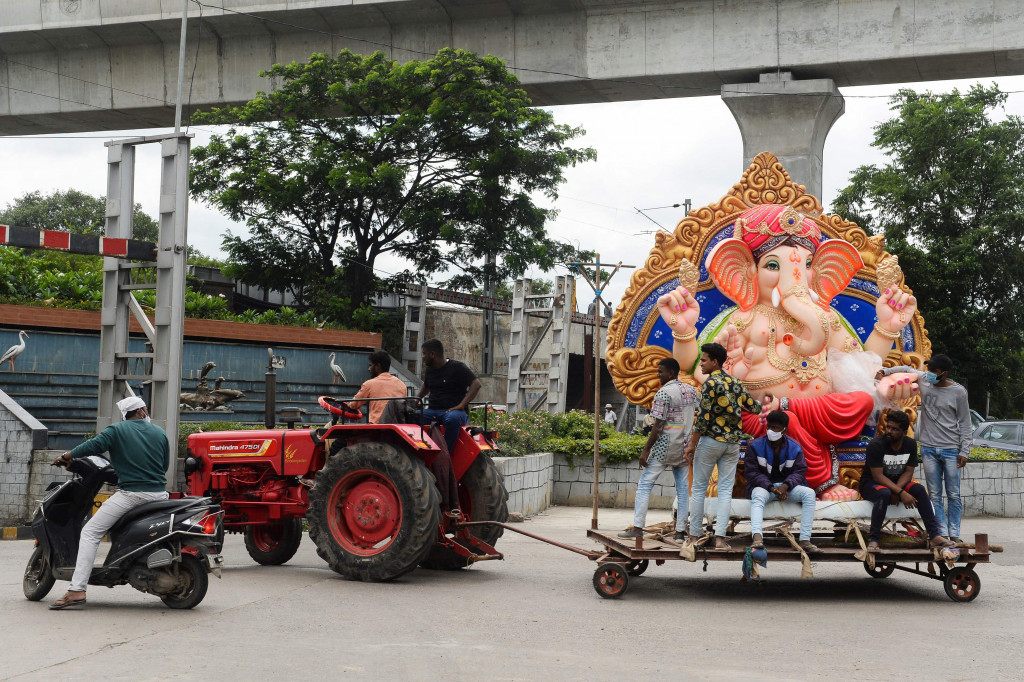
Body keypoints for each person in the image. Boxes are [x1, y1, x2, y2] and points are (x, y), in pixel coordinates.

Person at [49, 396, 170, 610]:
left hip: (132, 494)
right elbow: (165, 464)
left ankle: (77, 589)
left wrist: (67, 455)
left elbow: (92, 446)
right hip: (160, 495)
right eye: (145, 409)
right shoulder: (160, 433)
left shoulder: (117, 431)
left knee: (90, 532)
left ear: (126, 414)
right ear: (142, 411)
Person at [877, 354, 972, 542]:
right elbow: (905, 369)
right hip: (929, 449)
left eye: (934, 371)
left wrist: (964, 451)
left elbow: (965, 423)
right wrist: (884, 372)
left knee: (953, 494)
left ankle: (955, 534)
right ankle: (941, 533)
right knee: (934, 494)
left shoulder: (958, 392)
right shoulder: (924, 380)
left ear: (944, 373)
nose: (929, 374)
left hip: (951, 449)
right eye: (928, 370)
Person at [685, 342, 767, 549]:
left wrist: (692, 445)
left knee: (699, 488)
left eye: (704, 360)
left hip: (711, 441)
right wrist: (768, 399)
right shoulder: (736, 382)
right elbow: (754, 407)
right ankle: (720, 538)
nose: (701, 364)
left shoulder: (710, 384)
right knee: (725, 491)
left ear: (715, 362)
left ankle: (694, 535)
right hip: (732, 445)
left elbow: (702, 419)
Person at [618, 358, 698, 542]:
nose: (658, 374)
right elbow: (700, 414)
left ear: (671, 373)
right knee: (683, 489)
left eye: (660, 371)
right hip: (685, 447)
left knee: (645, 485)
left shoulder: (663, 393)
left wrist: (646, 451)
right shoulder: (692, 391)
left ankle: (638, 527)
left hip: (665, 446)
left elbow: (658, 425)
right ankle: (680, 532)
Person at [859, 409, 952, 551]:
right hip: (871, 484)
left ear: (904, 431)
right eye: (888, 427)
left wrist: (898, 491)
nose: (889, 431)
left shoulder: (910, 444)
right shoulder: (876, 445)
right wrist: (900, 492)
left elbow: (908, 472)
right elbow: (878, 476)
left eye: (894, 429)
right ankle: (873, 539)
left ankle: (934, 536)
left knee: (919, 490)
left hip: (898, 483)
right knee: (884, 494)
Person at [743, 410, 819, 552]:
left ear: (785, 429)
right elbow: (751, 473)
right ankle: (757, 537)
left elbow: (800, 471)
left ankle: (804, 540)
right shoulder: (754, 446)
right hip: (765, 489)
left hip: (786, 489)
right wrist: (772, 488)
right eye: (769, 427)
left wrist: (786, 486)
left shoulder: (795, 447)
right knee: (758, 496)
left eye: (776, 428)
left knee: (809, 494)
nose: (771, 431)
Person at [417, 338, 482, 455]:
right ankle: (421, 451)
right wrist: (416, 400)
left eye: (424, 354)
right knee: (413, 416)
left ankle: (445, 454)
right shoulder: (429, 370)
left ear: (432, 354)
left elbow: (476, 384)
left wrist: (462, 405)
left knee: (452, 419)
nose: (423, 357)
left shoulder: (457, 367)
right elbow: (426, 386)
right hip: (433, 411)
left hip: (453, 411)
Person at [349, 350, 409, 424]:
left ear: (378, 366)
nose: (369, 369)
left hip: (377, 426)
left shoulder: (369, 384)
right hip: (398, 428)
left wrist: (347, 404)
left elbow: (354, 405)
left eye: (371, 365)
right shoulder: (402, 385)